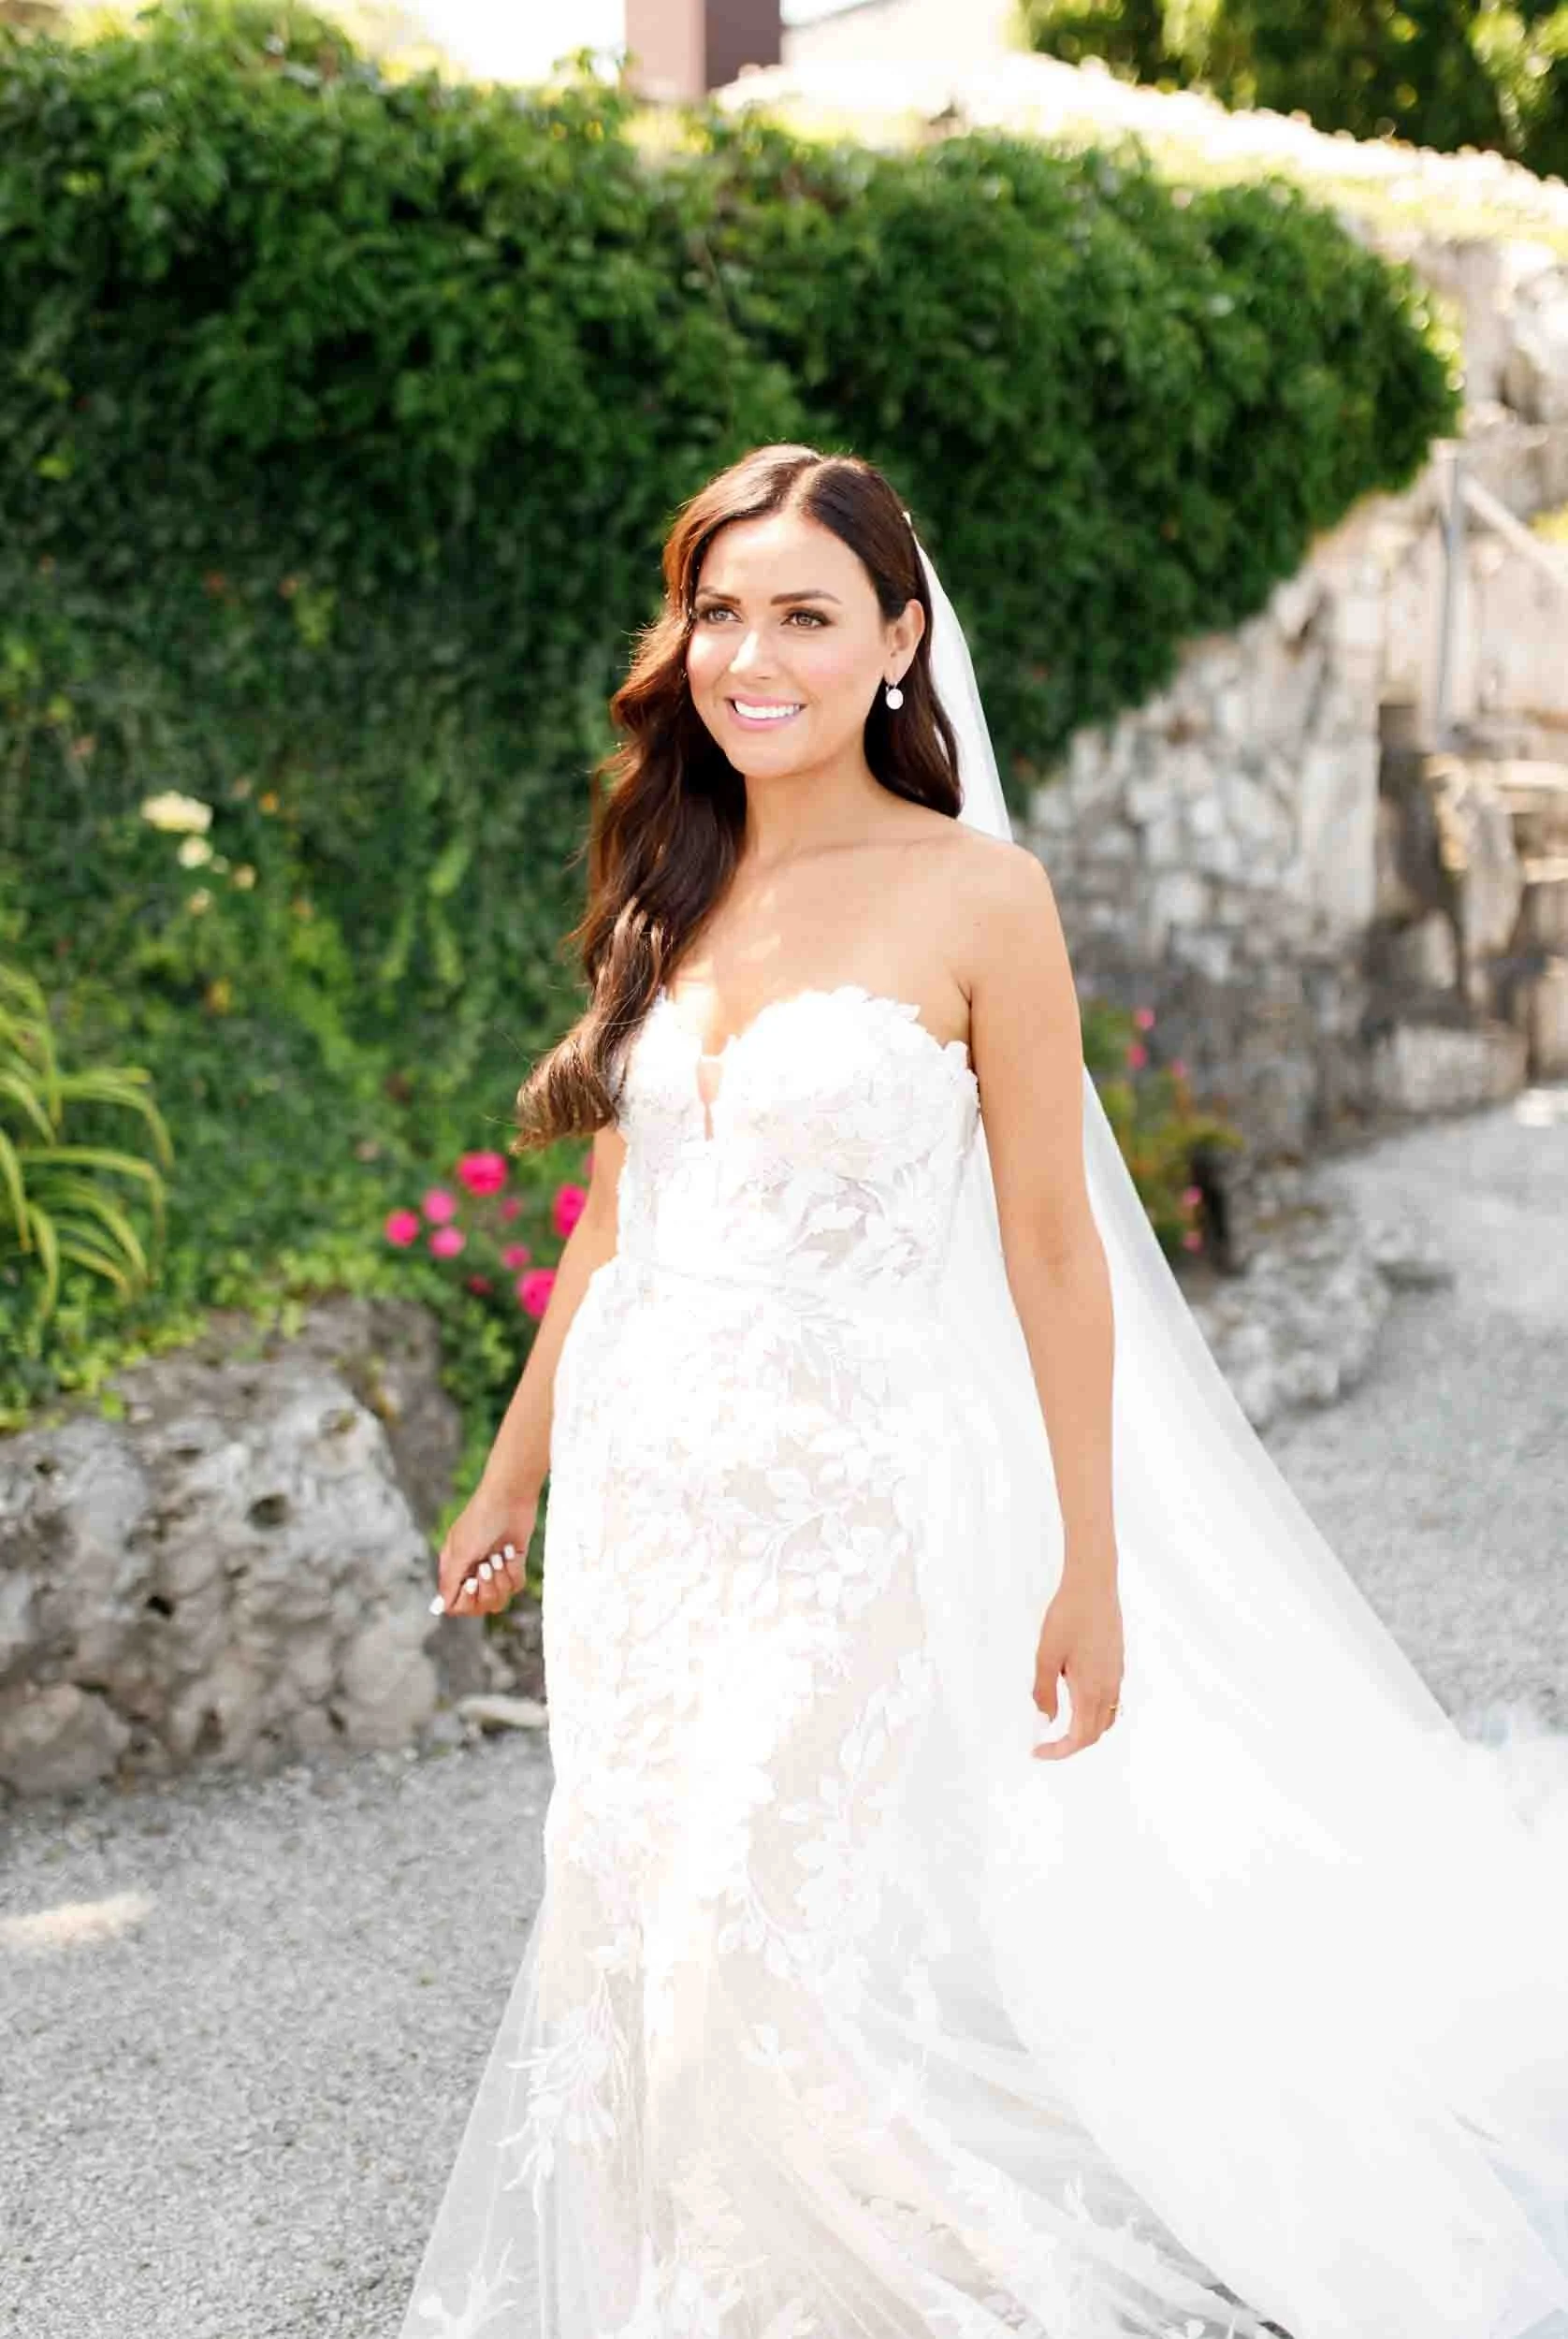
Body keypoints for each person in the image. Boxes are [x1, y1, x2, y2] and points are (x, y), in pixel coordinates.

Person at [398, 444, 1568, 2339]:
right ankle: (684, 2260)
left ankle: (883, 2273)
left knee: (742, 1919)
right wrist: (509, 1478)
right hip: (644, 1486)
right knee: (628, 1894)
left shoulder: (977, 894)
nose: (747, 654)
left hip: (840, 1491)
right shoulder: (672, 876)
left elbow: (1048, 1244)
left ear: (896, 641)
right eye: (718, 609)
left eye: (802, 612)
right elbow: (614, 1215)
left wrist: (1085, 1560)